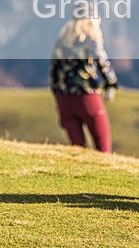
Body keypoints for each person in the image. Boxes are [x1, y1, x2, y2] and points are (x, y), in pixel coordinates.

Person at [49, 9, 118, 153]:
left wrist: (58, 100)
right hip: (87, 98)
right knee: (103, 149)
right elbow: (103, 63)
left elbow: (54, 74)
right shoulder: (90, 41)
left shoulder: (61, 43)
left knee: (78, 150)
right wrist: (111, 84)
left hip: (64, 100)